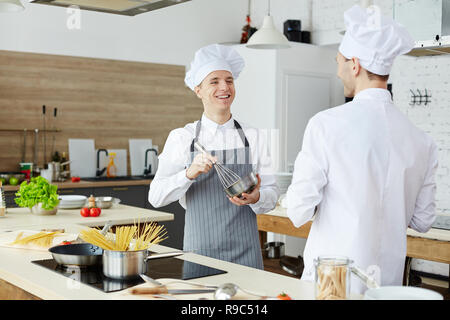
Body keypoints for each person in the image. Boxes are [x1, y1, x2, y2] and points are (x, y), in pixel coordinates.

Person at [286, 5, 438, 294]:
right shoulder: (422, 140)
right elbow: (423, 220)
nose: (338, 70)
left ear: (354, 65)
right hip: (387, 285)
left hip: (333, 282)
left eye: (339, 61)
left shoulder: (326, 125)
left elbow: (298, 211)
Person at [148, 44, 279, 270]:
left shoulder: (253, 136)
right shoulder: (182, 137)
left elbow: (273, 192)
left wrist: (257, 197)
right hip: (200, 254)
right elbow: (156, 197)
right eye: (214, 81)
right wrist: (188, 174)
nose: (224, 87)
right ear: (198, 90)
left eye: (229, 80)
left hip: (246, 251)